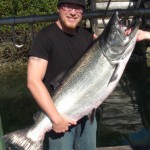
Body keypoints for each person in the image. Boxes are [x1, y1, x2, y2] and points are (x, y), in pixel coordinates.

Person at [27, 0, 97, 150]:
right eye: (68, 6)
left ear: (83, 12)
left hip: (87, 115)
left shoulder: (88, 37)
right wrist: (56, 118)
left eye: (78, 8)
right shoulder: (44, 37)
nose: (73, 12)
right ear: (58, 8)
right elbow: (33, 81)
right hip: (57, 116)